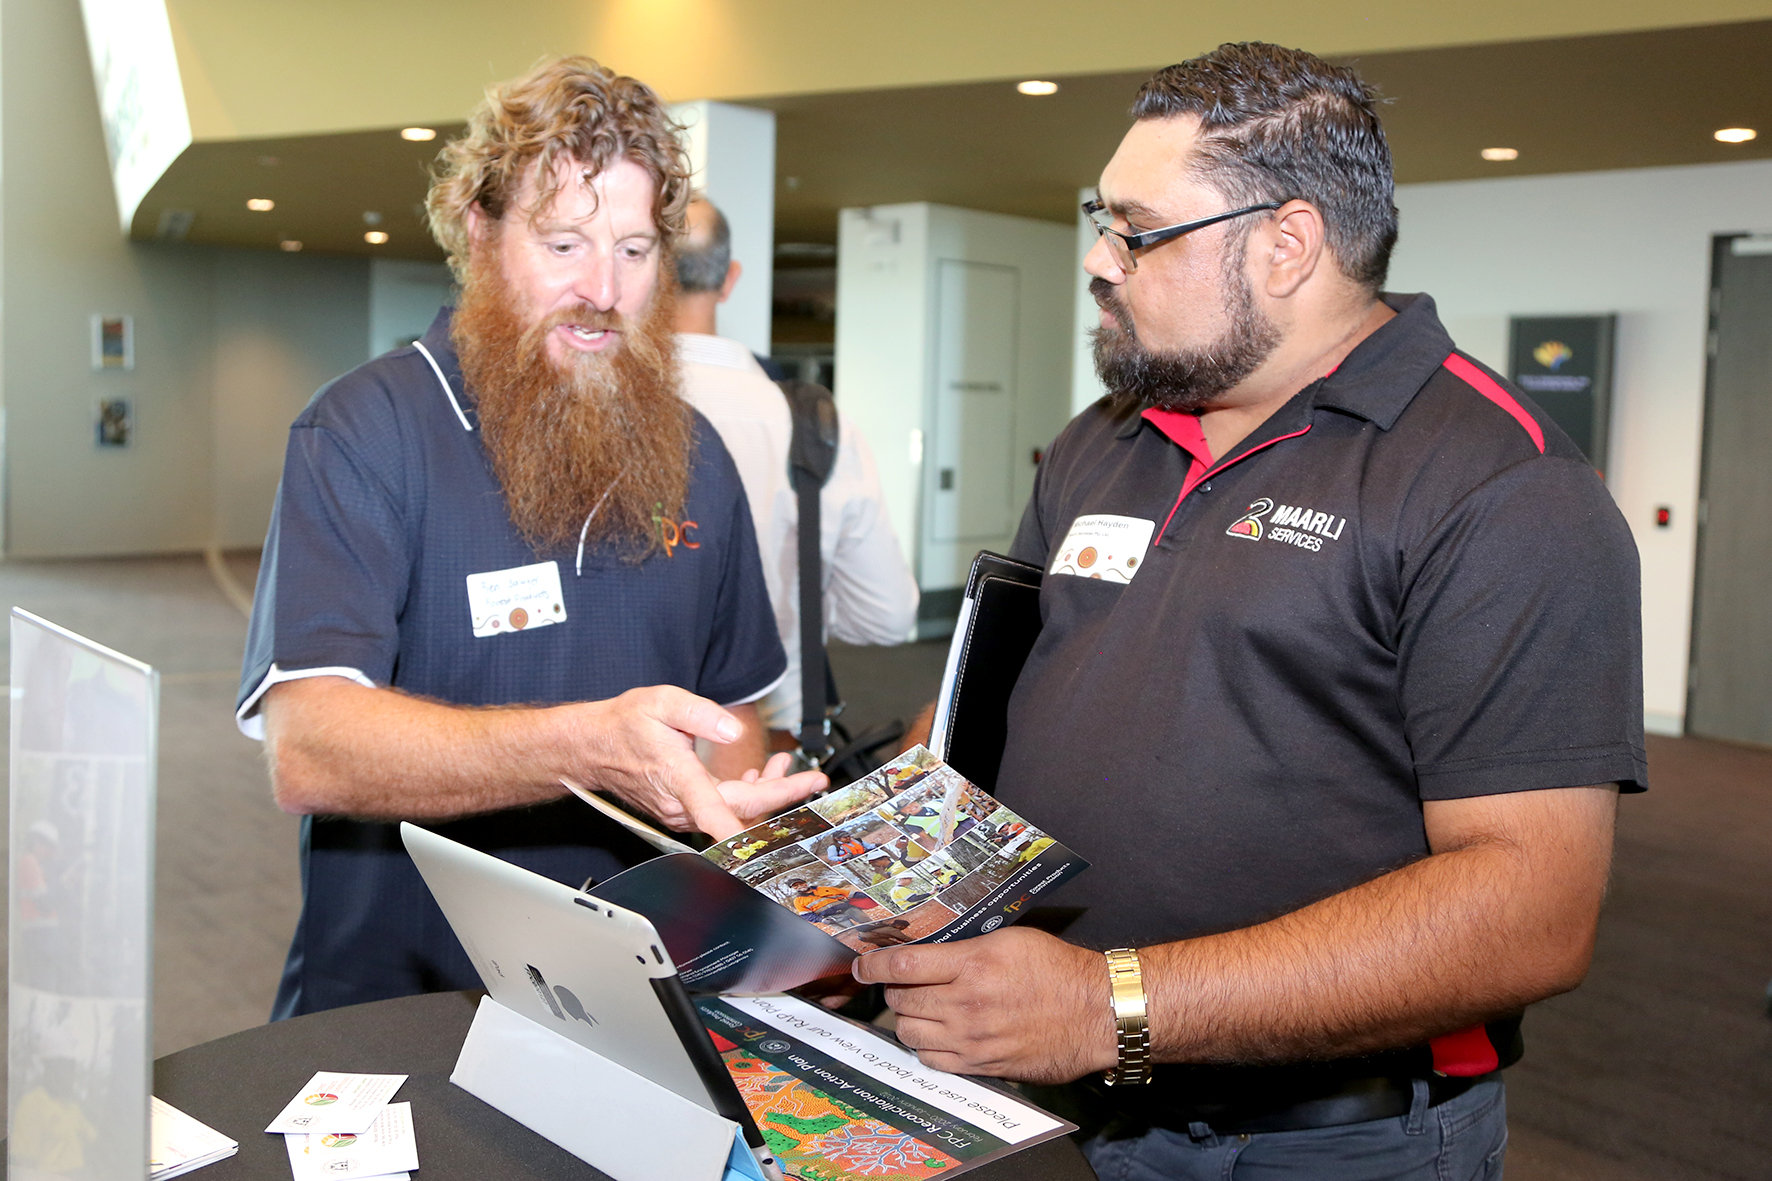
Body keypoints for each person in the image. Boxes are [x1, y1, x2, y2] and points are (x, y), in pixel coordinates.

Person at [857, 43, 1645, 1179]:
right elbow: (988, 708)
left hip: (1327, 1140)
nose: (1098, 260)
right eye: (1101, 221)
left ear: (1285, 245)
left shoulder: (1498, 485)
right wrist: (851, 872)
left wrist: (1111, 1005)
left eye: (1137, 230)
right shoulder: (1102, 438)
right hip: (1059, 1100)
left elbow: (1531, 907)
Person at [235, 56, 823, 1019]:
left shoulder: (698, 454)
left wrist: (734, 815)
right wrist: (583, 746)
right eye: (564, 244)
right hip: (404, 1010)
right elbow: (311, 748)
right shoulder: (366, 430)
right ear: (480, 231)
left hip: (640, 1008)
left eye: (634, 250)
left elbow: (732, 712)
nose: (604, 288)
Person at [672, 196, 919, 751]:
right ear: (729, 280)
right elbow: (886, 618)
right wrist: (794, 596)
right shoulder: (810, 420)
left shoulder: (586, 416)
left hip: (624, 754)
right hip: (775, 751)